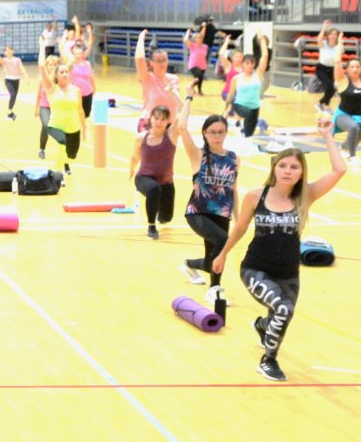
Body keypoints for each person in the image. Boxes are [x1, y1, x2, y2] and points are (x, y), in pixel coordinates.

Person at [211, 121, 346, 381]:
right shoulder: (256, 195)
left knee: (281, 314)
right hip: (255, 269)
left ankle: (262, 326)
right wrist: (223, 254)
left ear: (300, 172)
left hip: (288, 273)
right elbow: (239, 228)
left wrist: (327, 134)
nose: (287, 170)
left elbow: (339, 170)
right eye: (282, 165)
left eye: (294, 167)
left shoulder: (306, 195)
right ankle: (268, 361)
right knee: (283, 309)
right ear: (274, 168)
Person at [179, 113, 238, 291]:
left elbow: (233, 190)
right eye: (212, 132)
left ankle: (189, 264)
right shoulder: (198, 155)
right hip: (198, 211)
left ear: (226, 133)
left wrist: (239, 218)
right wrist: (188, 97)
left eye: (221, 132)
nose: (217, 136)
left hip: (222, 213)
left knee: (210, 261)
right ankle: (214, 289)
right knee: (222, 240)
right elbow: (182, 128)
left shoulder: (234, 158)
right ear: (204, 133)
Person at [129, 106, 178, 240]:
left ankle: (157, 212)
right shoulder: (141, 138)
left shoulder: (171, 136)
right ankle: (151, 226)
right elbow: (135, 157)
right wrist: (131, 169)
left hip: (166, 183)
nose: (158, 122)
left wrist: (187, 97)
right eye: (156, 118)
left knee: (166, 218)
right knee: (154, 189)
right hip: (143, 178)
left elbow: (183, 118)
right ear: (150, 118)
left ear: (168, 121)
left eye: (163, 119)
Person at [39, 58, 84, 172]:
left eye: (66, 72)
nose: (64, 74)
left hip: (73, 127)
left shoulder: (76, 91)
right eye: (61, 72)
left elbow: (80, 109)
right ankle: (58, 174)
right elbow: (41, 69)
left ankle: (66, 163)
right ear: (56, 75)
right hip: (55, 125)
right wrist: (42, 47)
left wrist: (84, 127)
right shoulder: (52, 88)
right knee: (61, 141)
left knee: (71, 155)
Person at [330, 56, 361, 166]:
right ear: (347, 70)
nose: (355, 69)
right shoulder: (343, 81)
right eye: (352, 67)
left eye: (357, 66)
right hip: (343, 114)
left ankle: (344, 148)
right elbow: (337, 63)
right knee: (353, 127)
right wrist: (338, 48)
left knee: (359, 135)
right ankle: (353, 157)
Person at [227, 52, 265, 140]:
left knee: (249, 134)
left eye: (252, 63)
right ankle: (239, 124)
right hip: (239, 105)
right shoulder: (236, 78)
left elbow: (265, 57)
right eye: (247, 63)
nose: (250, 65)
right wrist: (225, 110)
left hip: (255, 107)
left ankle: (244, 132)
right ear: (243, 64)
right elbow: (230, 95)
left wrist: (263, 42)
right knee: (248, 113)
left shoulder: (258, 75)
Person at [314, 27, 342, 110]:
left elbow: (339, 59)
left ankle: (319, 103)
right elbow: (318, 39)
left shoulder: (339, 46)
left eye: (335, 34)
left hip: (333, 69)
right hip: (321, 69)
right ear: (328, 35)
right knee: (329, 86)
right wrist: (324, 28)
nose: (333, 36)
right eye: (331, 34)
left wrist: (340, 41)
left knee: (333, 89)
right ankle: (327, 106)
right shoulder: (323, 43)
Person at [0, 47, 24, 120]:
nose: (8, 51)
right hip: (8, 80)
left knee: (14, 96)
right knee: (12, 94)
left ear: (13, 51)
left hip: (16, 80)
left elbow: (21, 67)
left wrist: (26, 76)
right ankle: (9, 112)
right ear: (5, 53)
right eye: (6, 50)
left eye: (10, 50)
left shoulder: (17, 59)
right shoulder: (4, 60)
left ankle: (10, 113)